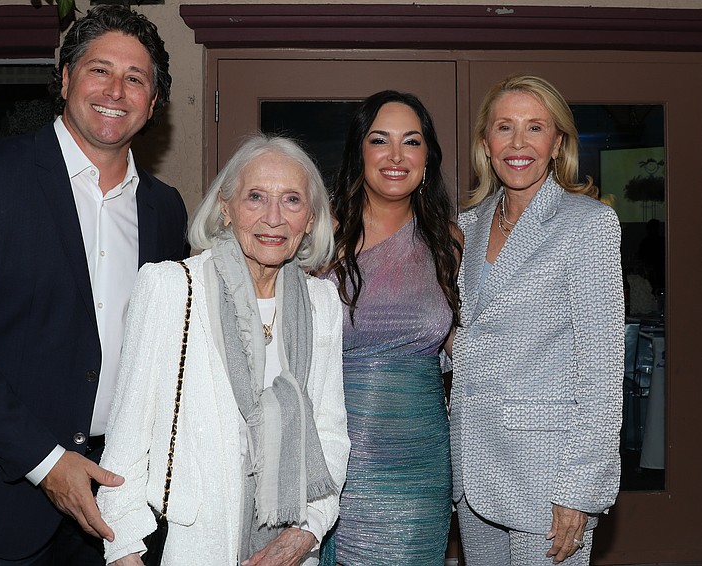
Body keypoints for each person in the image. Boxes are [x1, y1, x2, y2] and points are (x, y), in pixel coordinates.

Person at [0, 5, 188, 565]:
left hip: (116, 497)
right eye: (99, 70)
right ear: (65, 79)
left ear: (153, 104)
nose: (116, 90)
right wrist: (46, 461)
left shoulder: (165, 209)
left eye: (136, 79)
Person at [96, 133, 350, 566]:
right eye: (255, 197)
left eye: (292, 200)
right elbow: (127, 440)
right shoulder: (171, 287)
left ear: (310, 219)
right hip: (190, 543)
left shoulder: (321, 303)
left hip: (288, 550)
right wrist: (124, 550)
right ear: (225, 209)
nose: (274, 217)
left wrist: (305, 532)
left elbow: (329, 430)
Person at [449, 74, 624, 565]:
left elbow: (604, 370)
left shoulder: (588, 225)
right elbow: (472, 337)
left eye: (535, 128)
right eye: (505, 127)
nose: (519, 143)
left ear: (558, 143)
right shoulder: (468, 224)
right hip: (474, 465)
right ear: (487, 143)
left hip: (548, 476)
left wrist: (580, 490)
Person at [322, 90, 462, 565]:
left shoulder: (449, 241)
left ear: (428, 157)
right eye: (380, 140)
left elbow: (463, 344)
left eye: (412, 142)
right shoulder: (319, 234)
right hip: (336, 454)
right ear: (359, 150)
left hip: (422, 460)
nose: (397, 156)